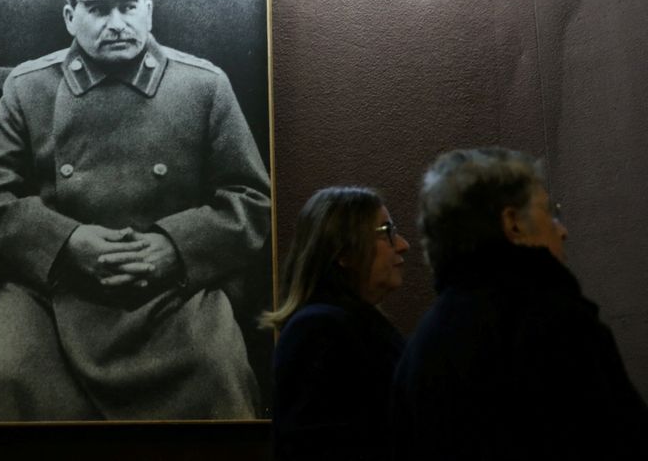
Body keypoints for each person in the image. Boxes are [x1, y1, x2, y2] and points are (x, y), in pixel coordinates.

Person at [0, 0, 271, 422]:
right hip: (51, 293)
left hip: (171, 296)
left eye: (128, 6)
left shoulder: (204, 86)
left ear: (149, 9)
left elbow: (251, 198)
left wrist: (175, 247)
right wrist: (65, 241)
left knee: (217, 375)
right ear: (70, 15)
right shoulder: (30, 86)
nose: (116, 23)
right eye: (99, 10)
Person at [391, 147, 648, 460]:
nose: (562, 229)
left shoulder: (419, 348)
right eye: (549, 211)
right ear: (512, 222)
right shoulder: (555, 323)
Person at [262, 186, 410, 460]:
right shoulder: (318, 330)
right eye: (386, 232)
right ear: (344, 253)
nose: (402, 243)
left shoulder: (345, 322)